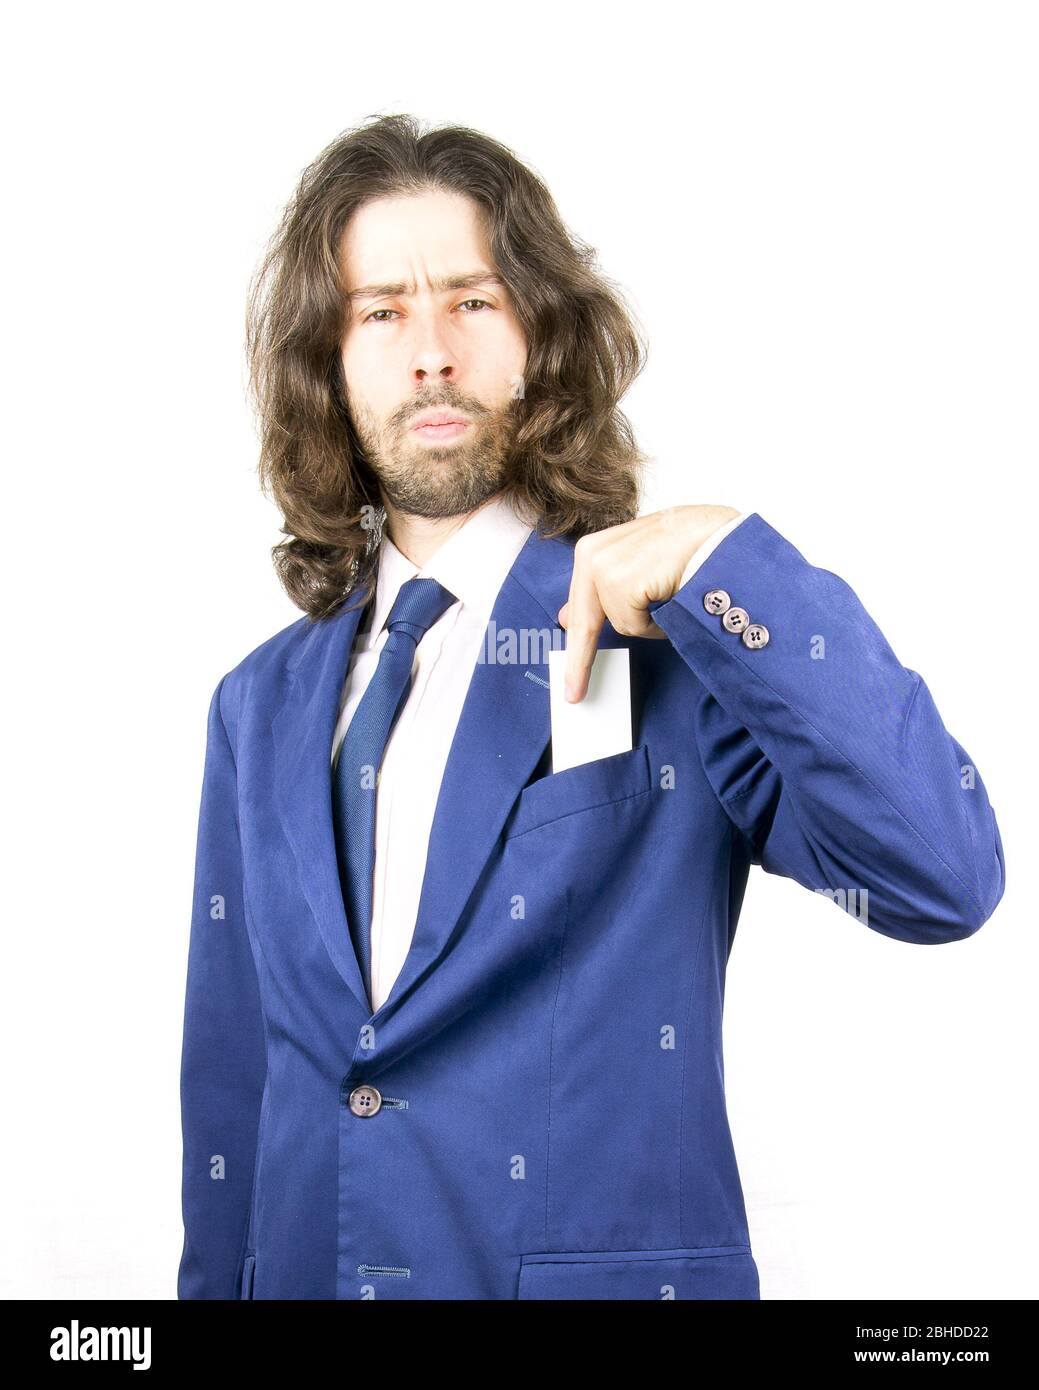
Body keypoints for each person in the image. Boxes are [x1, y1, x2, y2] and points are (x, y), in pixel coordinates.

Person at [177, 114, 1005, 1301]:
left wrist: (730, 564)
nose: (430, 354)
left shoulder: (677, 642)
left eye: (471, 301)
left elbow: (941, 875)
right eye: (380, 312)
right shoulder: (255, 705)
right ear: (329, 361)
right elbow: (231, 1088)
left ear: (541, 336)